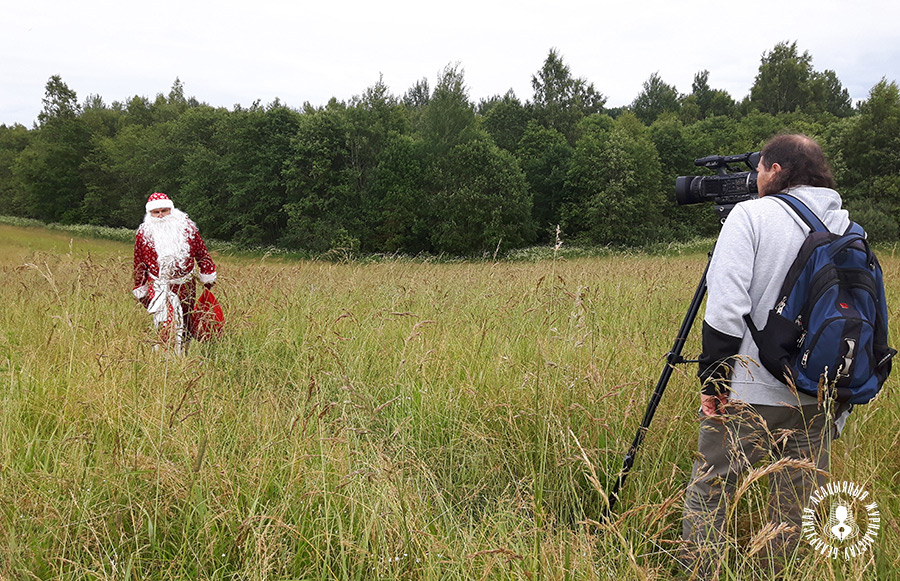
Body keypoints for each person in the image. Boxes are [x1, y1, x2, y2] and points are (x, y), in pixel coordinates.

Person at [681, 134, 853, 577]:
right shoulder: (848, 226)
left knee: (711, 487)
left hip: (752, 388)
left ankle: (704, 572)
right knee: (794, 506)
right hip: (821, 391)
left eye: (759, 168)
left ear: (776, 170)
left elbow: (724, 309)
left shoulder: (751, 216)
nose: (753, 178)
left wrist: (714, 384)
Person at [133, 192, 217, 350]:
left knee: (185, 322)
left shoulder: (188, 228)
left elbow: (202, 253)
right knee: (167, 323)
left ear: (171, 209)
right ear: (149, 213)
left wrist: (207, 274)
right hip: (158, 285)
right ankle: (167, 362)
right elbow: (139, 262)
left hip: (186, 284)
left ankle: (183, 357)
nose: (160, 216)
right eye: (156, 212)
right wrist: (140, 286)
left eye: (164, 211)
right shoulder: (143, 233)